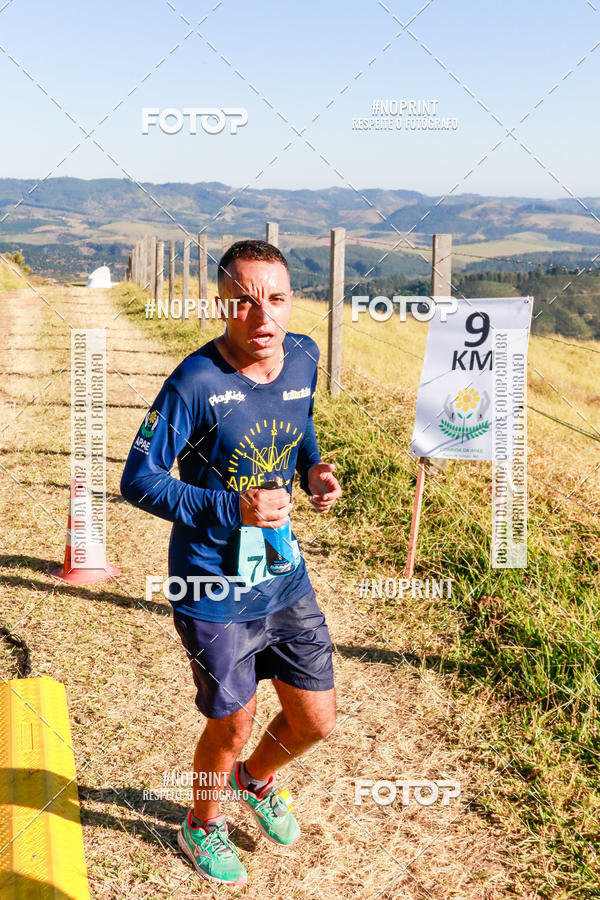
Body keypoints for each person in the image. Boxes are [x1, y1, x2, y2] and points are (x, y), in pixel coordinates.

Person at [120, 239, 342, 886]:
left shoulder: (303, 354)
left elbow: (299, 427)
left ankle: (256, 778)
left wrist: (315, 471)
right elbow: (139, 480)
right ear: (223, 304)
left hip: (282, 574)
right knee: (233, 719)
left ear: (291, 301)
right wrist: (230, 507)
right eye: (244, 302)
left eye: (274, 299)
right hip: (212, 584)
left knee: (315, 720)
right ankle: (200, 822)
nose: (262, 318)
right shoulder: (195, 381)